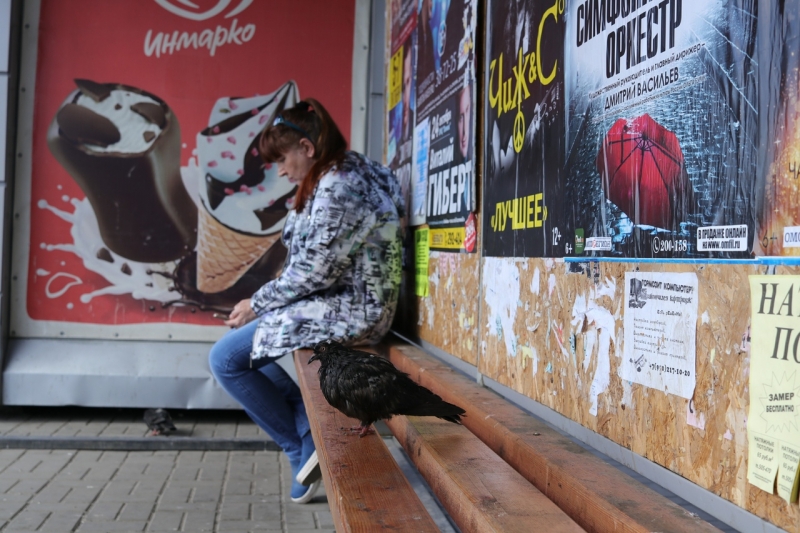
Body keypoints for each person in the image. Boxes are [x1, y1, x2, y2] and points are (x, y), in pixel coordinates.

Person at [208, 98, 405, 504]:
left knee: (225, 360)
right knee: (242, 351)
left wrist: (257, 303)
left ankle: (298, 445)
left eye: (282, 159)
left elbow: (315, 272)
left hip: (354, 310)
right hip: (346, 301)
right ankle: (304, 427)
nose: (280, 170)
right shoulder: (348, 172)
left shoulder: (340, 185)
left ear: (307, 147)